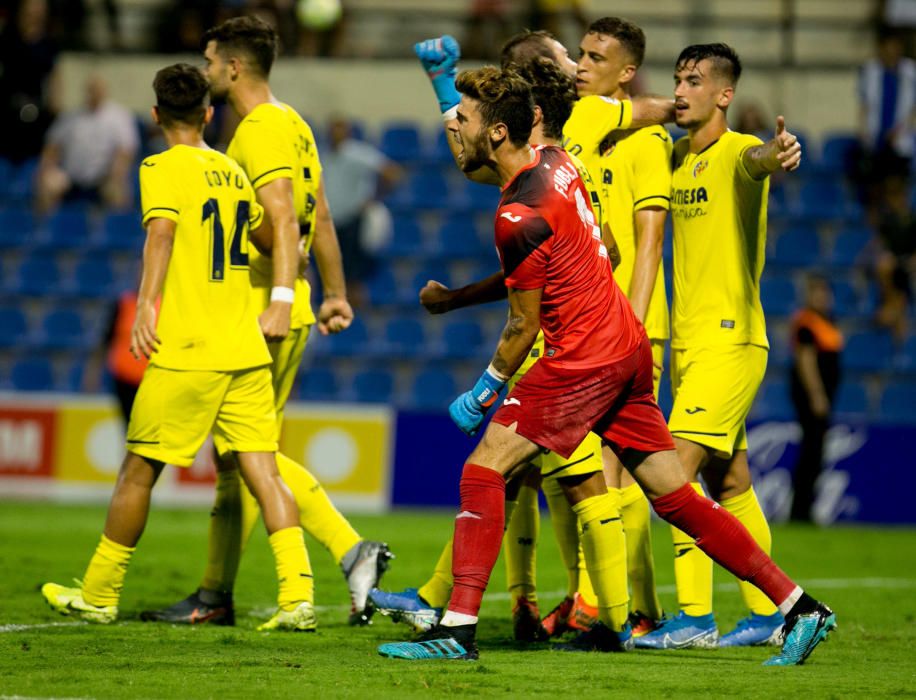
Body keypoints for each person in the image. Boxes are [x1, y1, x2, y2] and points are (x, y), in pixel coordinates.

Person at [377, 65, 835, 666]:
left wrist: (486, 388)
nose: (451, 127)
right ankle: (800, 607)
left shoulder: (516, 213)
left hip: (581, 359)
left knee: (483, 472)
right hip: (626, 345)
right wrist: (459, 298)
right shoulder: (558, 164)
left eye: (460, 119)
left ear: (495, 135)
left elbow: (523, 323)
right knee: (676, 496)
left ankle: (456, 628)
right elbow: (583, 255)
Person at [41, 63, 315, 630]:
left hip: (189, 347)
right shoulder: (233, 171)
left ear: (155, 116)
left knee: (137, 471)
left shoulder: (159, 166)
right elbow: (270, 234)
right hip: (245, 348)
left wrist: (146, 304)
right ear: (209, 114)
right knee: (263, 472)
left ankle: (98, 592)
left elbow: (160, 233)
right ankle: (298, 600)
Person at [140, 16, 391, 630]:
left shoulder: (259, 130)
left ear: (232, 67)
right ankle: (215, 593)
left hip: (262, 311)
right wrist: (333, 291)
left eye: (208, 61)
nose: (203, 72)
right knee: (241, 457)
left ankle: (347, 551)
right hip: (278, 306)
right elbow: (321, 217)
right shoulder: (294, 124)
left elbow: (283, 219)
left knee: (252, 455)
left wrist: (282, 297)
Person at [635, 43, 799, 651]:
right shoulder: (676, 157)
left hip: (730, 342)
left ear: (724, 95)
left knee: (674, 479)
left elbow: (758, 159)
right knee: (731, 483)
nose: (681, 90)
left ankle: (696, 617)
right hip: (691, 347)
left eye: (695, 81)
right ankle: (768, 614)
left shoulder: (735, 155)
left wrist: (775, 153)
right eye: (678, 79)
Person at [323, 115, 403, 303]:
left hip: (352, 220)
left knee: (353, 274)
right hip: (330, 221)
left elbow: (391, 171)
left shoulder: (358, 153)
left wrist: (375, 197)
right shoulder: (323, 155)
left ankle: (356, 315)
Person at [35, 75, 138, 214]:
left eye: (98, 89)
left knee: (117, 190)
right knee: (47, 182)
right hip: (70, 176)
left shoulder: (119, 116)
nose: (95, 93)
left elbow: (126, 151)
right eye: (91, 89)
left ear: (105, 91)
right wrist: (46, 168)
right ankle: (43, 231)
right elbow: (52, 146)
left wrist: (116, 173)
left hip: (103, 178)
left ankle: (115, 230)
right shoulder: (70, 117)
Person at [790, 275, 843, 523]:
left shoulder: (826, 322)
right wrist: (817, 395)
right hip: (812, 399)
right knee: (811, 453)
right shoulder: (807, 325)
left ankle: (805, 509)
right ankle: (800, 511)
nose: (823, 298)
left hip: (823, 398)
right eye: (817, 293)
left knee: (815, 453)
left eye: (825, 293)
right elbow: (806, 361)